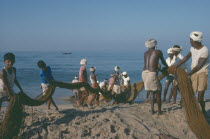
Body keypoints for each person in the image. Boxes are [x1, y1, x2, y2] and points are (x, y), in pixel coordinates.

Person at [174, 31, 209, 116]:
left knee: (200, 98)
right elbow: (186, 57)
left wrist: (188, 74)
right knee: (191, 94)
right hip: (194, 73)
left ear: (194, 40)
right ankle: (193, 111)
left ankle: (203, 112)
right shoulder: (192, 48)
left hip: (202, 74)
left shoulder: (205, 50)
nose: (189, 41)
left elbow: (199, 66)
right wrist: (177, 65)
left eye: (190, 40)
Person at [142, 39, 168, 114]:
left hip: (144, 73)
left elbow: (150, 64)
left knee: (152, 92)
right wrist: (168, 68)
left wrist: (157, 67)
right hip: (151, 74)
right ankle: (159, 111)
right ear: (155, 45)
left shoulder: (145, 53)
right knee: (158, 92)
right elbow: (163, 62)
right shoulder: (158, 52)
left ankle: (152, 110)